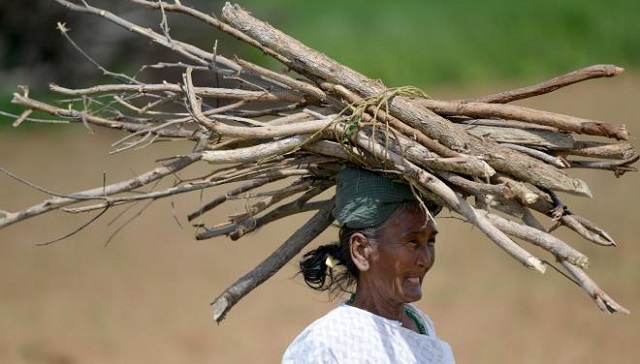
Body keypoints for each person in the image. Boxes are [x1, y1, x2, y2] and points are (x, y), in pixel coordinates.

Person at [282, 166, 455, 364]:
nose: (425, 260)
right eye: (412, 242)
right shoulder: (325, 343)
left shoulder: (421, 326)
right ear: (361, 250)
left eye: (430, 241)